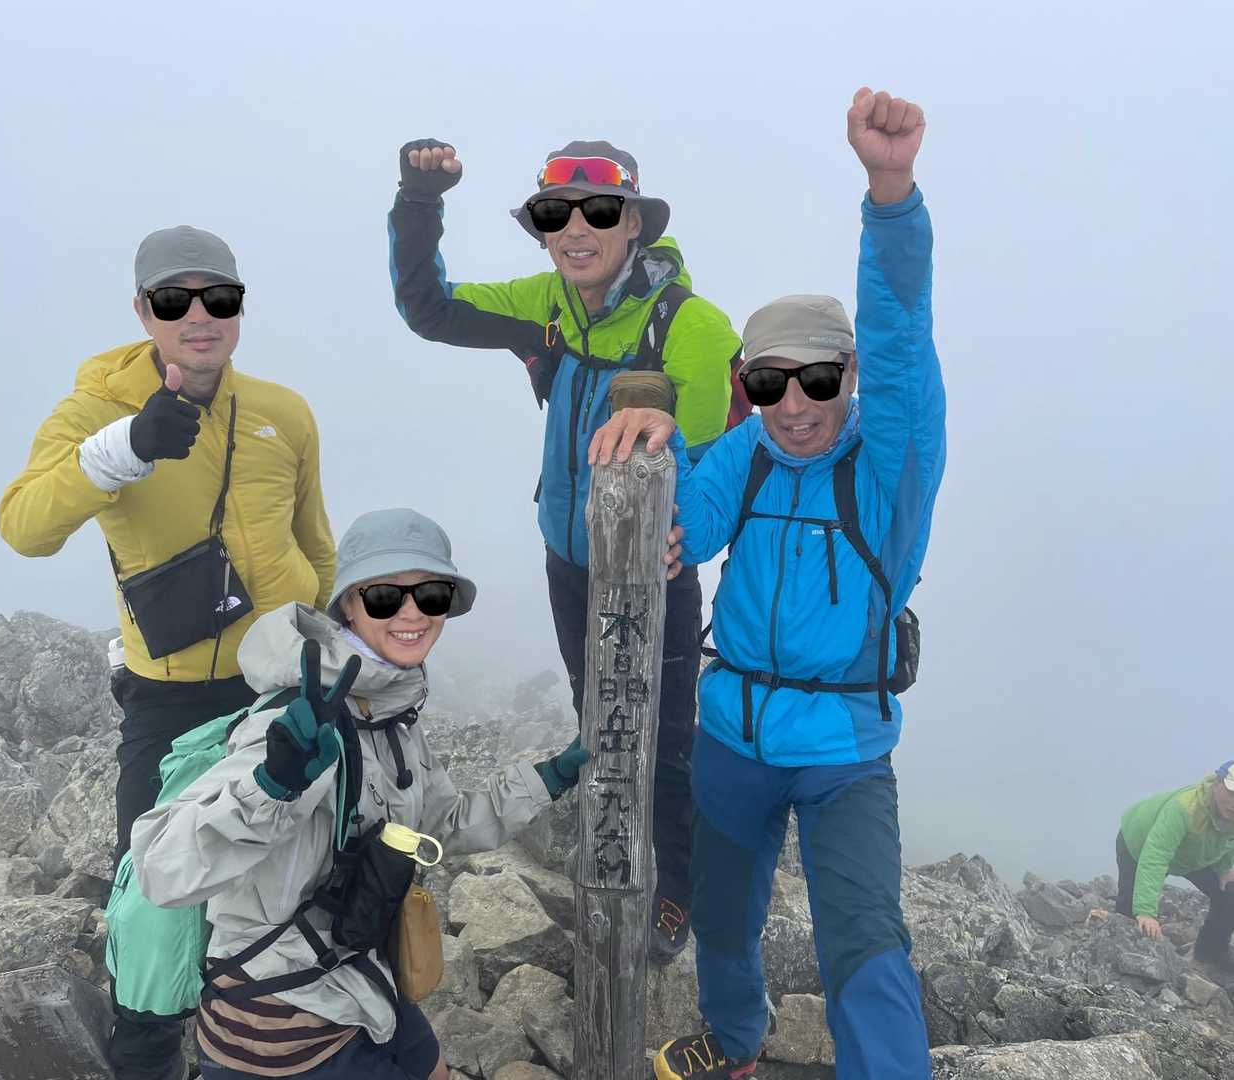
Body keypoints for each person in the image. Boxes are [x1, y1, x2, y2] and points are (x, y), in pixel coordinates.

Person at [591, 87, 944, 1079]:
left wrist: (890, 195)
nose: (794, 405)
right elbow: (684, 528)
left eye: (820, 379)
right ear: (748, 383)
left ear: (850, 377)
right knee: (723, 914)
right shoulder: (743, 455)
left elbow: (903, 335)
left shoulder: (889, 467)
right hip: (734, 735)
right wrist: (658, 444)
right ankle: (738, 1041)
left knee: (863, 941)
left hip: (843, 751)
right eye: (770, 381)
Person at [387, 135, 743, 959]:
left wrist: (675, 538)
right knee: (601, 716)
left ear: (634, 223)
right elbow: (428, 309)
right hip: (569, 561)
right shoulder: (546, 305)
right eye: (555, 214)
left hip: (654, 573)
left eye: (599, 211)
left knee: (667, 735)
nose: (576, 228)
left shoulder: (691, 325)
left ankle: (675, 889)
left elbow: (711, 462)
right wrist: (419, 203)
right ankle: (616, 860)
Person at [0, 225, 337, 1080]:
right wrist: (124, 451)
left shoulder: (284, 412)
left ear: (239, 308)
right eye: (174, 299)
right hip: (175, 696)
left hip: (284, 684)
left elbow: (316, 546)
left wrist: (329, 648)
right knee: (155, 890)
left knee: (301, 866)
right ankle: (148, 1053)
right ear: (143, 311)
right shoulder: (95, 413)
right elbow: (24, 527)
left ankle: (288, 1039)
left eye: (219, 297)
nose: (199, 315)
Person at [131, 509, 587, 1079]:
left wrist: (547, 779)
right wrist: (271, 786)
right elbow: (161, 869)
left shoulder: (390, 714)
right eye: (384, 597)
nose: (412, 613)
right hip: (279, 1024)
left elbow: (441, 822)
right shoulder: (296, 720)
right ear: (348, 604)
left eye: (432, 594)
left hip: (359, 979)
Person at [1114, 761, 1234, 967]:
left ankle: (1209, 955)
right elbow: (1156, 855)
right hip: (1140, 843)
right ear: (1217, 784)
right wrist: (1146, 911)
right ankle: (1120, 964)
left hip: (1195, 853)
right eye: (1232, 792)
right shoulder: (1185, 808)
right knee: (1129, 915)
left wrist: (1224, 868)